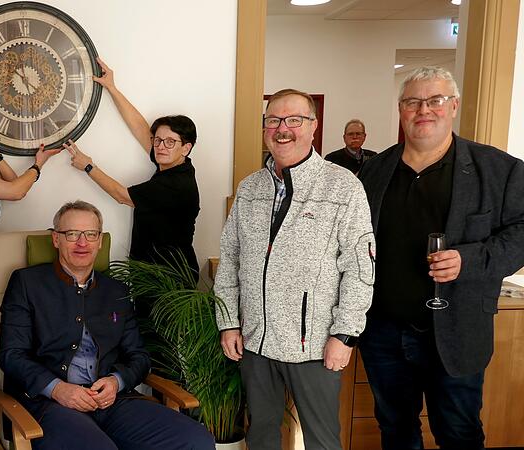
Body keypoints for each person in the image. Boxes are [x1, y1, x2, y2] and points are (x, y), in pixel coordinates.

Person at [358, 67, 524, 450]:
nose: (424, 110)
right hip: (383, 330)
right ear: (401, 109)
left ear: (453, 106)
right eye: (413, 102)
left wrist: (471, 259)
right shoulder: (374, 171)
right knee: (395, 430)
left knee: (459, 433)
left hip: (457, 330)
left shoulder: (498, 170)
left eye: (435, 100)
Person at [215, 89, 375, 450]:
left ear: (313, 127)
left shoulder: (343, 186)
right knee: (261, 433)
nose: (282, 128)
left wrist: (345, 334)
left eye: (294, 120)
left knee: (321, 440)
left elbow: (360, 268)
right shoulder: (250, 188)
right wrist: (228, 322)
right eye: (273, 120)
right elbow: (230, 260)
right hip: (255, 342)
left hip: (315, 346)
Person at [0, 200, 215, 450]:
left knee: (197, 441)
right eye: (72, 234)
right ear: (56, 239)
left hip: (113, 402)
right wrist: (58, 389)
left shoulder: (116, 291)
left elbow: (139, 357)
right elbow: (11, 355)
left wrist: (116, 382)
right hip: (50, 405)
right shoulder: (27, 283)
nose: (82, 243)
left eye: (91, 234)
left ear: (100, 241)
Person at [64, 57, 200, 277]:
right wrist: (111, 88)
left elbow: (122, 195)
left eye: (170, 142)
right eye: (158, 140)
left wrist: (88, 166)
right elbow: (140, 128)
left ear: (186, 148)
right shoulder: (175, 163)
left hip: (168, 277)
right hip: (154, 270)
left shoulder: (176, 183)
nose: (161, 146)